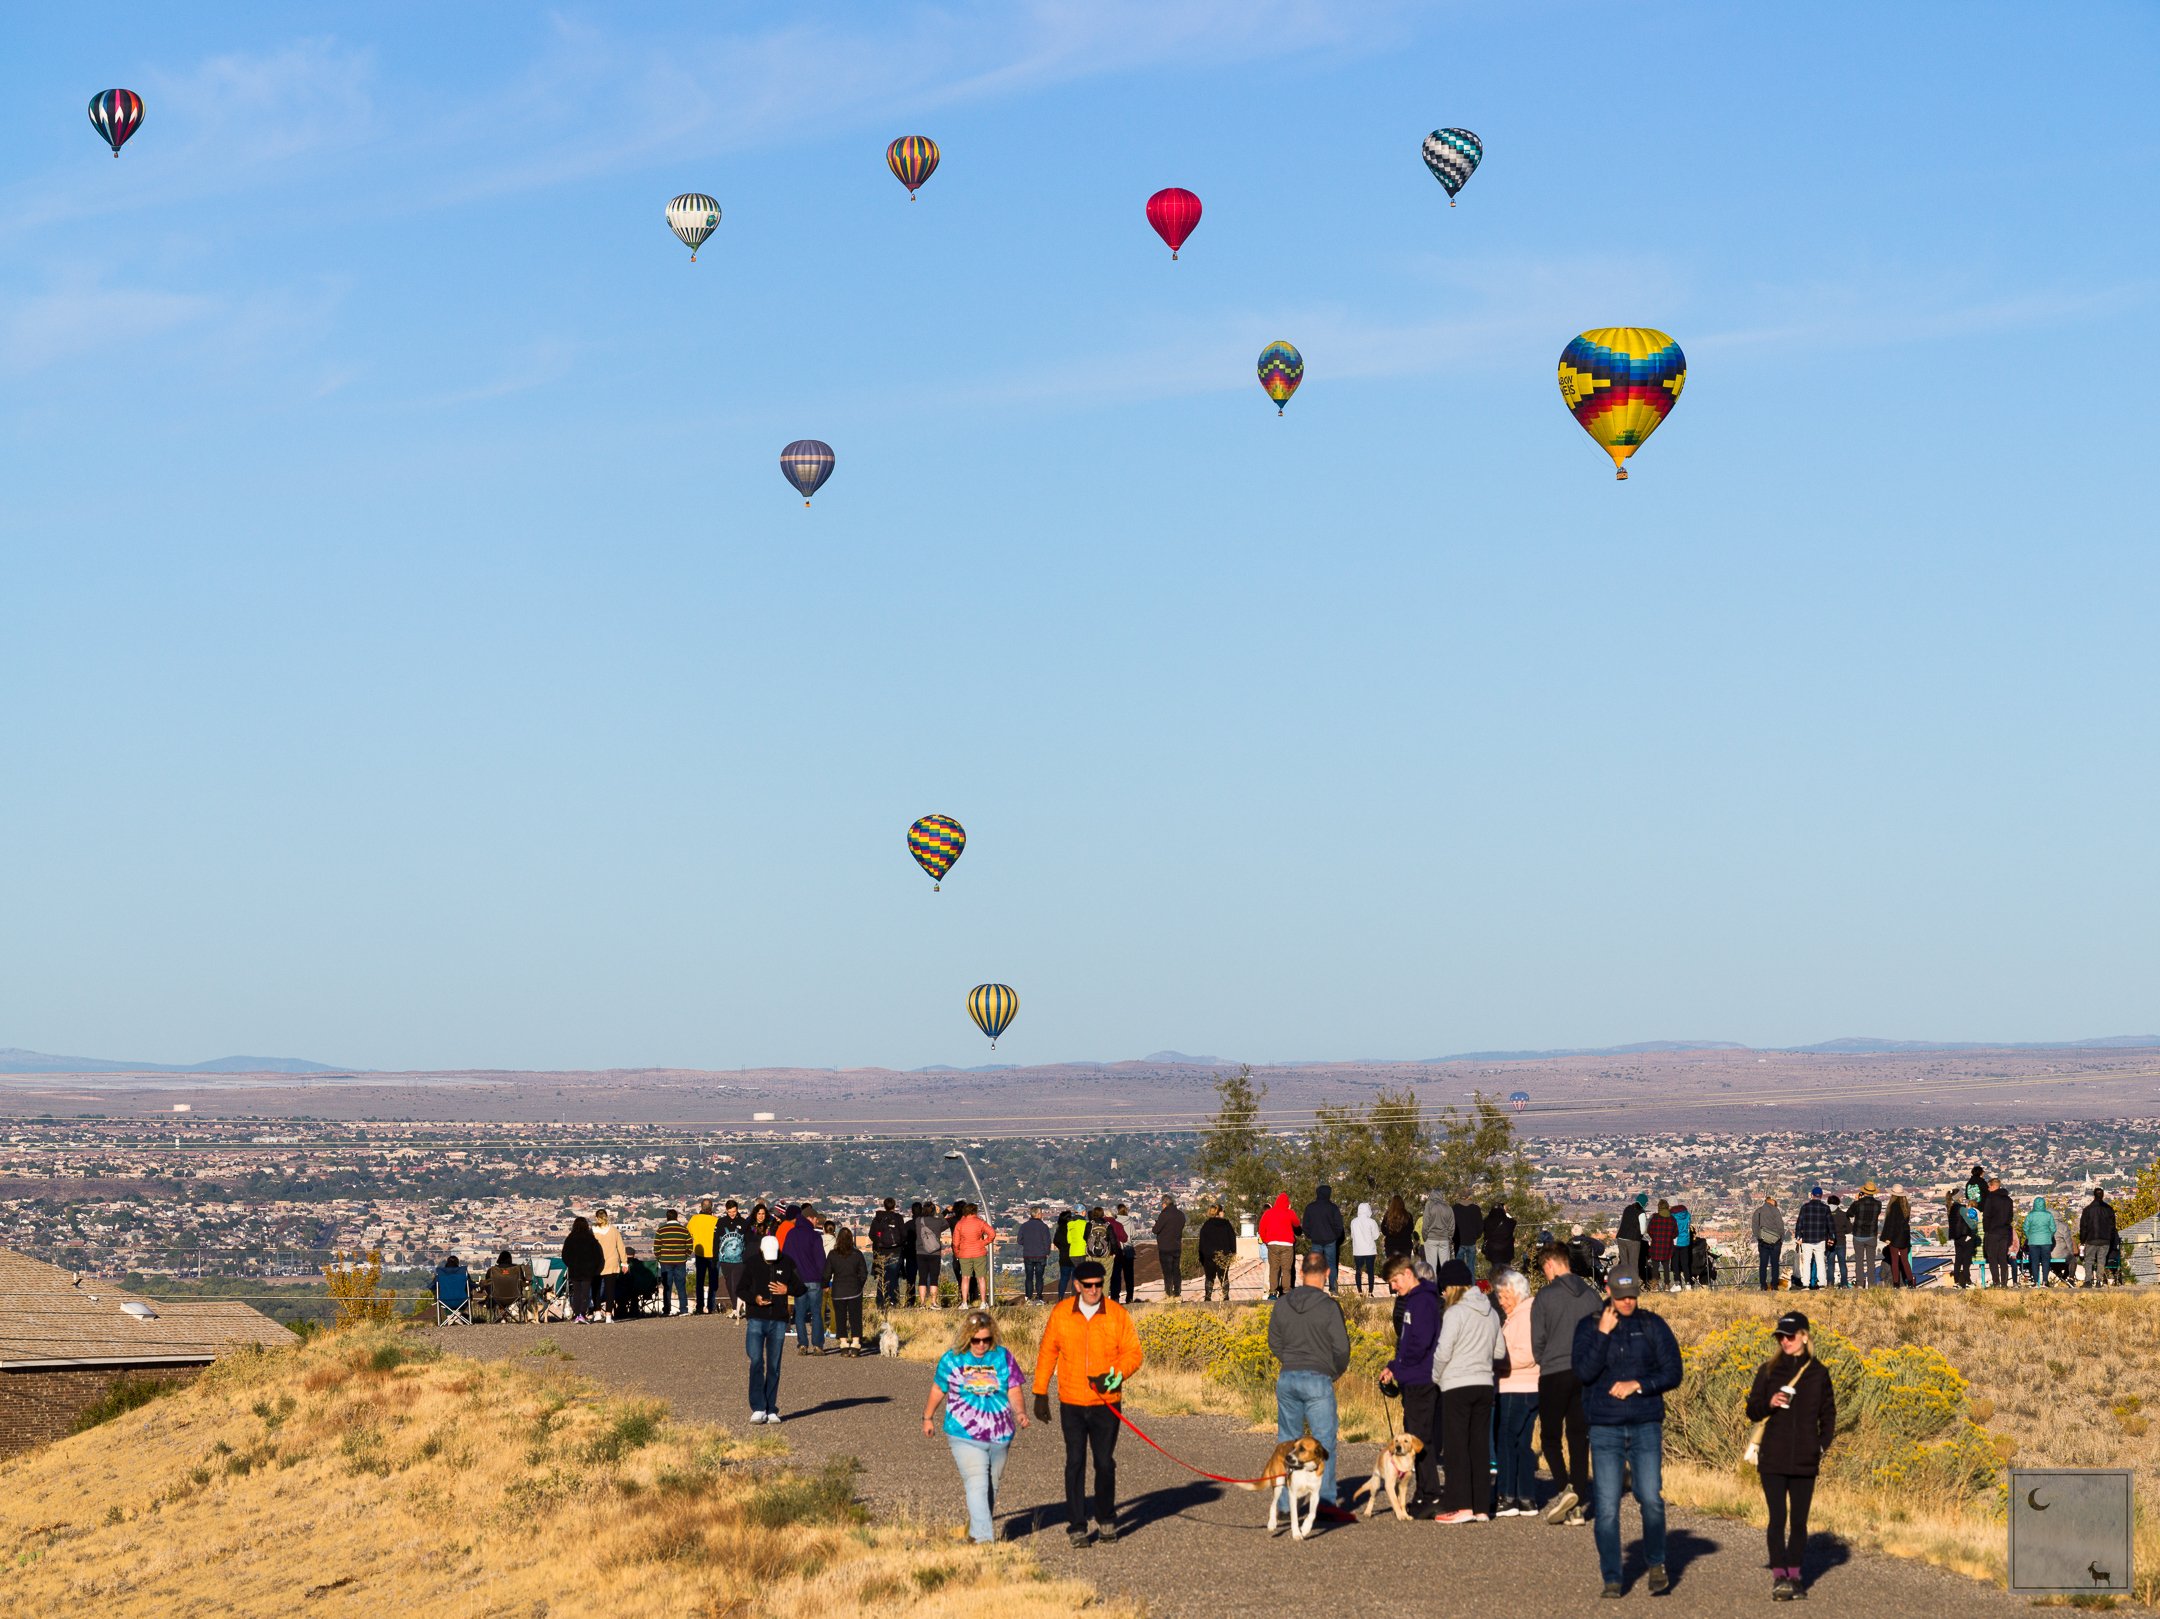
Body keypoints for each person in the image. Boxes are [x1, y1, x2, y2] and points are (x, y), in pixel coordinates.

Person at [1574, 1272, 1683, 1599]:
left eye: (1632, 1295)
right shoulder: (1588, 1326)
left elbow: (1672, 1371)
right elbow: (1583, 1373)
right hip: (1605, 1428)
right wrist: (1603, 1335)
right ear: (1608, 1292)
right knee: (1607, 1507)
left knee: (1650, 1498)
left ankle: (1656, 1563)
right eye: (1621, 1296)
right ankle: (1612, 1576)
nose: (1627, 1301)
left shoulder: (1652, 1325)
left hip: (1645, 1423)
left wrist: (1639, 1385)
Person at [1031, 1258, 1143, 1547]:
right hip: (1071, 1401)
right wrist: (1040, 1392)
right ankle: (1077, 1526)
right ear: (1077, 1286)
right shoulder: (1061, 1313)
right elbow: (1048, 1352)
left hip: (1106, 1402)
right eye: (1089, 1285)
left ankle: (1106, 1519)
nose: (1094, 1290)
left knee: (1104, 1463)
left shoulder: (1117, 1314)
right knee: (1075, 1462)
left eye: (1098, 1285)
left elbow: (1133, 1353)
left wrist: (1114, 1376)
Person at [1746, 1309, 1837, 1601]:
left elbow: (1829, 1415)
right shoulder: (1768, 1371)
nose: (1785, 1341)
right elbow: (1752, 1410)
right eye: (1780, 1337)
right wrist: (1769, 1403)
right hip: (1772, 1457)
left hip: (1805, 1459)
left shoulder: (1818, 1373)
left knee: (1799, 1521)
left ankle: (1795, 1578)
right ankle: (1779, 1578)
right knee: (1777, 1518)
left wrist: (1821, 1446)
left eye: (1790, 1336)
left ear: (1804, 1336)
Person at [926, 1310, 1030, 1543]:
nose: (981, 1345)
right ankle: (984, 1540)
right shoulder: (951, 1359)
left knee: (991, 1485)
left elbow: (1014, 1388)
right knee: (977, 1482)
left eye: (986, 1340)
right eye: (976, 1340)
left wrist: (1020, 1412)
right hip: (964, 1432)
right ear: (967, 1338)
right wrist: (928, 1416)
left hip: (1000, 1434)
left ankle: (976, 1530)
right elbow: (938, 1389)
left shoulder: (1003, 1357)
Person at [1269, 1250, 1351, 1514]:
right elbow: (1341, 1349)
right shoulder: (1328, 1307)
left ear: (1301, 1273)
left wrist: (1289, 1360)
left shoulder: (1282, 1304)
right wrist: (1331, 1372)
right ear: (1327, 1274)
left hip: (1288, 1375)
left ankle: (1284, 1505)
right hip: (1318, 1378)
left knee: (1287, 1442)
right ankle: (1325, 1502)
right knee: (1323, 1443)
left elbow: (1274, 1342)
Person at [1531, 1242, 1599, 1526]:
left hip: (1554, 1372)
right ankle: (1579, 1499)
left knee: (1549, 1438)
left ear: (1550, 1264)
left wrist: (1545, 1359)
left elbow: (1537, 1342)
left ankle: (1565, 1490)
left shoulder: (1545, 1297)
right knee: (1579, 1437)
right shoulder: (1593, 1296)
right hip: (1585, 1373)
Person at [1430, 1258, 1499, 1523]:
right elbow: (1500, 1351)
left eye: (1444, 1289)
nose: (1444, 1294)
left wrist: (1437, 1377)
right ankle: (1481, 1507)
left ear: (1452, 1288)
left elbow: (1443, 1351)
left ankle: (1460, 1505)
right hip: (1484, 1383)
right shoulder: (1490, 1312)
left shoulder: (1454, 1313)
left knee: (1457, 1447)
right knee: (1479, 1446)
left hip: (1457, 1385)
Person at [1378, 1255, 1443, 1509]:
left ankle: (1431, 1493)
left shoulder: (1423, 1302)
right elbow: (1406, 1343)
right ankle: (1425, 1491)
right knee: (1417, 1435)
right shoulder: (1411, 1301)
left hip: (1422, 1379)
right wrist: (1393, 1366)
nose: (1394, 1287)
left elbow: (1421, 1342)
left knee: (1420, 1438)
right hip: (1411, 1377)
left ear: (1407, 1273)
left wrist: (1402, 1367)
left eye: (1395, 1281)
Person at [739, 1233, 801, 1423]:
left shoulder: (787, 1262)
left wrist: (787, 1289)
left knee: (774, 1366)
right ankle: (758, 1407)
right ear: (761, 1251)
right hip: (756, 1318)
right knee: (756, 1360)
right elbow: (740, 1289)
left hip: (778, 1320)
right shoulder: (751, 1264)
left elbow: (801, 1287)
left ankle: (771, 1408)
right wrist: (755, 1299)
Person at [1494, 1269, 1540, 1515]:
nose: (1501, 1301)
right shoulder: (1522, 1315)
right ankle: (1526, 1497)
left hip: (1516, 1386)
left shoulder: (1524, 1317)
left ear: (1516, 1293)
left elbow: (1527, 1355)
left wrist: (1496, 1362)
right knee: (1522, 1443)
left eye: (1504, 1296)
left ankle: (1507, 1496)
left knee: (1507, 1441)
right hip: (1528, 1386)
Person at [783, 1206, 829, 1350]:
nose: (817, 1222)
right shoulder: (815, 1236)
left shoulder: (791, 1234)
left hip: (798, 1280)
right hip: (814, 1279)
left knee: (800, 1313)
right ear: (810, 1218)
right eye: (816, 1219)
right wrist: (825, 1280)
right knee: (816, 1313)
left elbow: (785, 1258)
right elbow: (821, 1261)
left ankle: (803, 1343)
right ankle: (817, 1345)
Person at [826, 1226, 870, 1352]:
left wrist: (824, 1284)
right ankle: (856, 1342)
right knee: (855, 1317)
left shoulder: (833, 1255)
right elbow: (863, 1273)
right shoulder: (857, 1254)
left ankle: (844, 1343)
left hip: (838, 1290)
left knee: (840, 1317)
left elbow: (827, 1273)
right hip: (854, 1290)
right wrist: (859, 1285)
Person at [1302, 1183, 1346, 1293]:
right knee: (1331, 1265)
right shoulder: (1333, 1208)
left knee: (1315, 1265)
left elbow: (1305, 1225)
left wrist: (1310, 1235)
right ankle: (1333, 1288)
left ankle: (1315, 1288)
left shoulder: (1310, 1207)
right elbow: (1339, 1226)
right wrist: (1334, 1236)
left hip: (1316, 1240)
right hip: (1330, 1240)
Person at [651, 1208, 693, 1317]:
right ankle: (683, 1309)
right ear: (677, 1217)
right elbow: (690, 1245)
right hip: (680, 1261)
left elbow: (656, 1248)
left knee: (667, 1287)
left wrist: (660, 1258)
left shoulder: (661, 1230)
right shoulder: (684, 1230)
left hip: (665, 1261)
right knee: (681, 1286)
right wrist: (685, 1256)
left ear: (667, 1217)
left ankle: (666, 1310)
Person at [1256, 1193, 1300, 1297]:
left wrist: (1267, 1241)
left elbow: (1261, 1229)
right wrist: (1290, 1210)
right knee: (1286, 1269)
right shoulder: (1289, 1213)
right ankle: (1286, 1291)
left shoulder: (1268, 1213)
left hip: (1272, 1244)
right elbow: (1297, 1224)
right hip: (1287, 1245)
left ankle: (1272, 1292)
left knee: (1274, 1269)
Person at [953, 1202, 996, 1307]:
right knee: (981, 1278)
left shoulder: (960, 1224)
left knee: (965, 1278)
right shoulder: (980, 1222)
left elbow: (955, 1242)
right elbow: (992, 1233)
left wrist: (958, 1253)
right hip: (979, 1252)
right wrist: (983, 1242)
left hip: (964, 1253)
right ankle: (983, 1302)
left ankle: (964, 1302)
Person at [562, 1215, 603, 1322]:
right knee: (585, 1293)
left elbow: (565, 1255)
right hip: (588, 1271)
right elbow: (597, 1256)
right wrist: (594, 1268)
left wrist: (570, 1264)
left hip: (575, 1270)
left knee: (576, 1293)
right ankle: (583, 1314)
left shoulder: (570, 1239)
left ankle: (576, 1314)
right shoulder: (591, 1239)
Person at [592, 1207, 629, 1322]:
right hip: (612, 1262)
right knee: (610, 1290)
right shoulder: (613, 1230)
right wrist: (624, 1263)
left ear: (596, 1218)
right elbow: (621, 1247)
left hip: (596, 1263)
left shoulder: (592, 1231)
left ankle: (597, 1312)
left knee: (596, 1289)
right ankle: (608, 1315)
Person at [1793, 1188, 1832, 1292]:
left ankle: (1806, 1284)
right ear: (1821, 1195)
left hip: (1807, 1239)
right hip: (1821, 1239)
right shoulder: (1825, 1208)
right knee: (1820, 1262)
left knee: (1806, 1262)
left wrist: (1798, 1236)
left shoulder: (1805, 1208)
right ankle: (1822, 1283)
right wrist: (1831, 1237)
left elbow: (1799, 1223)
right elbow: (1830, 1225)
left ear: (1812, 1195)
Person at [870, 1197, 907, 1308]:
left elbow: (871, 1235)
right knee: (894, 1277)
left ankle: (880, 1302)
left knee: (882, 1277)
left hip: (881, 1252)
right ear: (894, 1206)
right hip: (896, 1251)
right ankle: (894, 1301)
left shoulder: (878, 1218)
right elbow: (904, 1234)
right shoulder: (898, 1218)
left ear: (884, 1205)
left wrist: (880, 1243)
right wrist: (899, 1243)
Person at [1197, 1203, 1238, 1301]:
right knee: (1223, 1277)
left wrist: (1202, 1257)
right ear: (1219, 1212)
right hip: (1223, 1255)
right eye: (1223, 1211)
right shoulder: (1226, 1224)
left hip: (1208, 1256)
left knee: (1209, 1277)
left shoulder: (1206, 1225)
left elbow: (1202, 1243)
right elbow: (1232, 1239)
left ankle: (1208, 1297)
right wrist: (1232, 1253)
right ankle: (1225, 1296)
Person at [1980, 1177, 2015, 1287]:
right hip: (2004, 1232)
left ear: (1993, 1186)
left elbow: (1986, 1216)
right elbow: (2010, 1216)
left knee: (1992, 1258)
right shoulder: (2009, 1200)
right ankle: (2004, 1283)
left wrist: (1986, 1229)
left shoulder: (1990, 1198)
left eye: (1989, 1187)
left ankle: (1996, 1283)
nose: (1988, 1189)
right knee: (2002, 1258)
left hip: (1992, 1232)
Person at [687, 1199, 720, 1315]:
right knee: (713, 1283)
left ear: (701, 1207)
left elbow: (688, 1235)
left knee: (699, 1281)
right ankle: (711, 1306)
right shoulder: (716, 1220)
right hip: (713, 1255)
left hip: (700, 1254)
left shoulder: (694, 1219)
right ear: (711, 1208)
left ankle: (700, 1306)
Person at [2079, 1188, 2117, 1287]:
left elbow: (2083, 1227)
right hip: (2105, 1240)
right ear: (2103, 1195)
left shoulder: (2087, 1210)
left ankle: (2088, 1281)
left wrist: (2082, 1240)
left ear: (2094, 1195)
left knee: (2089, 1260)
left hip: (2091, 1239)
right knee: (2101, 1260)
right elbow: (2113, 1227)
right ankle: (2099, 1281)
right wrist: (2111, 1239)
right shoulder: (2109, 1209)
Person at [717, 1200, 749, 1315]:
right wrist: (714, 1255)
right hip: (724, 1260)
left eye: (734, 1211)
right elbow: (716, 1239)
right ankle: (736, 1306)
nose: (732, 1214)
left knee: (736, 1282)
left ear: (737, 1209)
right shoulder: (721, 1222)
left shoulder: (743, 1222)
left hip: (739, 1260)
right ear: (726, 1210)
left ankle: (738, 1307)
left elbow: (747, 1240)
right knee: (728, 1283)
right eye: (730, 1212)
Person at [1847, 1183, 1882, 1288]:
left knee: (1859, 1261)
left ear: (1864, 1192)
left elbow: (1849, 1214)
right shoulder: (1878, 1204)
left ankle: (1860, 1283)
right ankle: (1871, 1284)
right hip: (1871, 1235)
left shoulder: (1857, 1204)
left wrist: (1857, 1200)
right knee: (1871, 1262)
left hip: (1858, 1235)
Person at [1017, 1206, 1054, 1302]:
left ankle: (1028, 1297)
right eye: (1041, 1213)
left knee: (1029, 1277)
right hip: (1041, 1255)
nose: (1042, 1215)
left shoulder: (1024, 1226)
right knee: (1039, 1277)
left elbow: (1019, 1241)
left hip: (1028, 1254)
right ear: (1038, 1215)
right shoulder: (1044, 1227)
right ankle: (1039, 1297)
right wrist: (1047, 1252)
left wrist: (1027, 1243)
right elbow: (1047, 1241)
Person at [1152, 1197, 1186, 1300]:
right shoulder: (1181, 1214)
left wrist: (1157, 1223)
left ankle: (1168, 1292)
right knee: (1176, 1270)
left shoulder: (1164, 1214)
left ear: (1164, 1204)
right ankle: (1177, 1292)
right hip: (1176, 1246)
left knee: (1167, 1271)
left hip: (1165, 1247)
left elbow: (1155, 1230)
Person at [1751, 1194, 1786, 1291]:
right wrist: (1780, 1239)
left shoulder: (1758, 1211)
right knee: (1775, 1264)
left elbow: (1754, 1227)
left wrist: (1760, 1238)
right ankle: (1774, 1285)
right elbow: (1780, 1226)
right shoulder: (1776, 1211)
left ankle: (1763, 1285)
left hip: (1763, 1242)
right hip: (1775, 1242)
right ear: (1771, 1202)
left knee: (1763, 1264)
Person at [916, 1200, 947, 1306]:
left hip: (920, 1252)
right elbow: (946, 1224)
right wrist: (939, 1214)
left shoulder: (918, 1221)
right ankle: (933, 1302)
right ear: (934, 1210)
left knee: (922, 1278)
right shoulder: (937, 1222)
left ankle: (922, 1303)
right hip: (935, 1253)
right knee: (934, 1278)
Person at [1882, 1192, 1915, 1287]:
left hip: (1894, 1237)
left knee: (1894, 1261)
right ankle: (1910, 1282)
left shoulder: (1892, 1206)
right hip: (1904, 1236)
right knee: (1905, 1261)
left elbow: (1890, 1223)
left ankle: (1896, 1283)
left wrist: (1887, 1237)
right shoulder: (1906, 1207)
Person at [1350, 1201, 1383, 1294]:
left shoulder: (1353, 1222)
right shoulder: (1372, 1222)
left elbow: (1352, 1236)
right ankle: (1370, 1292)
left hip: (1358, 1250)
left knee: (1358, 1271)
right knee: (1371, 1271)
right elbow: (1376, 1236)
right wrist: (1369, 1238)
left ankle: (1360, 1291)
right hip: (1370, 1250)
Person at [1420, 1188, 1455, 1276]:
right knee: (1445, 1267)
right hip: (1444, 1239)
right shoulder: (1448, 1207)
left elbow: (1426, 1223)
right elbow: (1452, 1225)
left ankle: (1433, 1288)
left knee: (1431, 1268)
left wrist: (1425, 1237)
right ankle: (1446, 1287)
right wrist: (1449, 1237)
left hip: (1431, 1238)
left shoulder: (1429, 1206)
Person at [2023, 1195, 2056, 1287]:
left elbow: (2025, 1228)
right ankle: (2045, 1281)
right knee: (2046, 1261)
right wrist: (2049, 1236)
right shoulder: (2048, 1215)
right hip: (2046, 1241)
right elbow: (2053, 1229)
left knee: (2034, 1261)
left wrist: (2029, 1237)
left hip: (2033, 1241)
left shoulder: (2030, 1215)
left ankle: (2036, 1282)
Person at [484, 1250, 525, 1322]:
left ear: (499, 1258)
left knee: (490, 1287)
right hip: (514, 1296)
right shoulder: (517, 1269)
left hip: (496, 1297)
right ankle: (508, 1314)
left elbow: (487, 1282)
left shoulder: (492, 1270)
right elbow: (523, 1281)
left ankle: (501, 1315)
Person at [1615, 1194, 1647, 1284]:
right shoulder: (1641, 1212)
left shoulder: (1627, 1208)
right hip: (1633, 1239)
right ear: (1644, 1203)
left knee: (1624, 1262)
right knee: (1633, 1263)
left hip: (1621, 1237)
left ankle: (1624, 1283)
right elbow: (1643, 1230)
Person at [1948, 1191, 1978, 1288]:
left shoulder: (1951, 1209)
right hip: (1966, 1236)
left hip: (1956, 1238)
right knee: (1966, 1260)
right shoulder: (1962, 1209)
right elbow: (1971, 1224)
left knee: (1958, 1259)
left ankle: (1956, 1281)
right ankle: (1967, 1281)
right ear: (1959, 1197)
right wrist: (1975, 1223)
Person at [1645, 1200, 1676, 1292]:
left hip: (1656, 1245)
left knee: (1655, 1266)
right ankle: (1667, 1285)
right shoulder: (1672, 1219)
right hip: (1667, 1245)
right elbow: (1676, 1232)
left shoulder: (1655, 1218)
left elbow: (1649, 1230)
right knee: (1666, 1266)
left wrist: (1654, 1237)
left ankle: (1655, 1286)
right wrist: (1669, 1238)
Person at [1107, 1205, 1135, 1304]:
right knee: (1129, 1276)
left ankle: (1115, 1296)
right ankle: (1129, 1297)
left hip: (1117, 1251)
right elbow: (1134, 1235)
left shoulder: (1114, 1222)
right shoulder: (1130, 1221)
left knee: (1116, 1275)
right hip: (1128, 1250)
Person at [432, 1253, 470, 1322]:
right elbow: (470, 1285)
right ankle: (457, 1315)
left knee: (444, 1295)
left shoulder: (441, 1273)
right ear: (457, 1263)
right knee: (469, 1294)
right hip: (462, 1299)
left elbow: (433, 1286)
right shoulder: (463, 1273)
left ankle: (450, 1316)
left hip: (444, 1300)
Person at [1484, 1199, 1518, 1276]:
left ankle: (1496, 1286)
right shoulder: (1508, 1222)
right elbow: (1514, 1222)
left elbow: (1484, 1230)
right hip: (1506, 1251)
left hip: (1493, 1251)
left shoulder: (1487, 1221)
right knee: (1507, 1273)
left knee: (1496, 1272)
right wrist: (1506, 1213)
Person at [1451, 1196, 1485, 1275]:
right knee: (1471, 1267)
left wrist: (1453, 1238)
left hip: (1459, 1242)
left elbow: (1451, 1225)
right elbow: (1480, 1226)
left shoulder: (1455, 1208)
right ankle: (1472, 1285)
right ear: (1469, 1197)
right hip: (1471, 1241)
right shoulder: (1476, 1208)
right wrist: (1476, 1236)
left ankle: (1460, 1286)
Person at [1055, 1207, 1083, 1300]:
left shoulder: (1059, 1230)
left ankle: (1060, 1297)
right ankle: (1074, 1297)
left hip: (1063, 1256)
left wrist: (1062, 1248)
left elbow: (1056, 1241)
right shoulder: (1073, 1227)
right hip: (1075, 1254)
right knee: (1075, 1278)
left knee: (1063, 1278)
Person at [1382, 1195, 1418, 1265]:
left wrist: (1390, 1234)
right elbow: (1410, 1229)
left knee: (1392, 1268)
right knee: (1405, 1268)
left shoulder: (1387, 1215)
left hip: (1391, 1245)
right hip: (1405, 1245)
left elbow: (1383, 1230)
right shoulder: (1408, 1215)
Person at [1826, 1194, 1850, 1288]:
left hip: (1829, 1243)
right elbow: (1849, 1229)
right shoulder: (1843, 1214)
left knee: (1830, 1265)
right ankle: (1844, 1284)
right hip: (1841, 1241)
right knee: (1842, 1264)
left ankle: (1830, 1284)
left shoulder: (1826, 1214)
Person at [1670, 1201, 1694, 1290]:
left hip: (1675, 1242)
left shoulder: (1672, 1217)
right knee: (1685, 1263)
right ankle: (1688, 1283)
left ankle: (1677, 1284)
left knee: (1675, 1263)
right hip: (1686, 1242)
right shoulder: (1687, 1215)